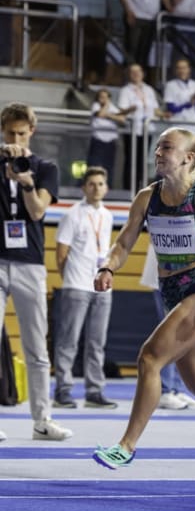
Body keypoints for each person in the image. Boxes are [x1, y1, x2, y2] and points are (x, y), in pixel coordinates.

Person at [91, 126, 195, 468]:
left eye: (166, 148)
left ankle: (126, 445)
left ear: (188, 157)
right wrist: (108, 267)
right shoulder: (146, 197)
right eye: (156, 147)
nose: (158, 153)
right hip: (173, 296)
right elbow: (124, 244)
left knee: (149, 358)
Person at [0, 102, 72, 441]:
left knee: (36, 348)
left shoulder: (44, 167)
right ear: (3, 132)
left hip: (29, 263)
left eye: (21, 133)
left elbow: (38, 212)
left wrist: (25, 181)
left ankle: (42, 420)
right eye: (10, 132)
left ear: (32, 133)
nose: (16, 138)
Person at [52, 166, 117, 410]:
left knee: (96, 343)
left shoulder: (108, 215)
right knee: (68, 341)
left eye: (100, 184)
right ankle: (63, 391)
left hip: (102, 288)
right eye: (91, 184)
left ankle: (94, 392)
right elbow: (61, 254)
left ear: (106, 187)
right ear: (84, 188)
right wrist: (70, 279)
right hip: (77, 285)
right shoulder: (73, 215)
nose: (96, 188)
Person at [139, 246, 195, 410]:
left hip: (185, 279)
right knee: (170, 335)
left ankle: (176, 388)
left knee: (182, 336)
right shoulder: (169, 220)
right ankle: (164, 390)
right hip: (167, 278)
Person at [117, 63, 166, 195]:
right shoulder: (125, 90)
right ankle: (128, 189)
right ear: (129, 75)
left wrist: (164, 114)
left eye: (138, 71)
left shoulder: (148, 89)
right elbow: (122, 110)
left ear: (143, 74)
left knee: (142, 160)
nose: (136, 74)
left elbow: (155, 109)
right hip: (132, 130)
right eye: (133, 72)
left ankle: (140, 189)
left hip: (146, 129)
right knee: (131, 159)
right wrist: (131, 109)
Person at [87, 88, 127, 187]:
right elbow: (100, 114)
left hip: (110, 142)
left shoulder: (113, 107)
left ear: (109, 98)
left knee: (109, 167)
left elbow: (122, 119)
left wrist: (109, 114)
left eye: (106, 97)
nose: (103, 99)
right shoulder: (95, 106)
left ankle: (107, 187)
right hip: (98, 140)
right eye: (101, 97)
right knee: (94, 166)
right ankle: (91, 185)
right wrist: (107, 108)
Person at [162, 57, 195, 135]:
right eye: (179, 68)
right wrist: (188, 104)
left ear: (189, 69)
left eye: (184, 68)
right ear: (175, 71)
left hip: (193, 125)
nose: (182, 71)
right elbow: (171, 108)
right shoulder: (170, 85)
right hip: (177, 124)